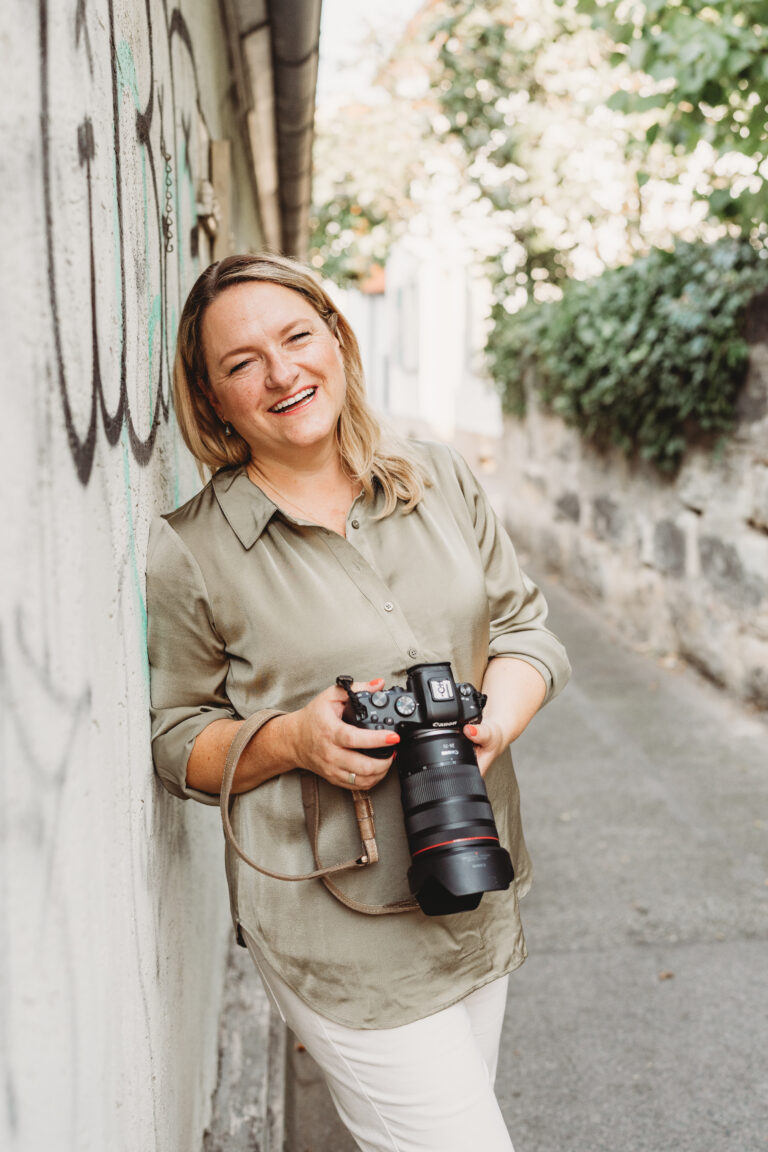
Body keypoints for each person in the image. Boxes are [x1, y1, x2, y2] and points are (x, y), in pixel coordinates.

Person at [146, 252, 571, 1152]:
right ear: (213, 398)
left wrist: (493, 716)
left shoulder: (438, 478)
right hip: (335, 932)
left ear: (338, 339)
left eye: (298, 336)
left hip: (472, 879)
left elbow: (526, 629)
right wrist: (294, 740)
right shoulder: (192, 552)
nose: (282, 373)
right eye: (242, 363)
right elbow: (175, 740)